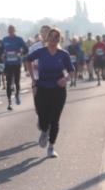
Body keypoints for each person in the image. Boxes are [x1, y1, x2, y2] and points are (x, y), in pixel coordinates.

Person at [26, 26, 74, 159]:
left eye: (56, 37)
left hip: (58, 91)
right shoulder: (41, 52)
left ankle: (51, 147)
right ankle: (44, 130)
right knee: (42, 117)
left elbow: (71, 71)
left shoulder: (63, 54)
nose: (53, 40)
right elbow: (28, 60)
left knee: (55, 120)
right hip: (42, 88)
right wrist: (33, 78)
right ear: (47, 38)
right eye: (51, 37)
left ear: (60, 39)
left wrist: (66, 79)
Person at [0, 24, 27, 110]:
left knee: (17, 81)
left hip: (16, 63)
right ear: (8, 31)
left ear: (15, 31)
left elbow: (26, 49)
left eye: (12, 30)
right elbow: (1, 50)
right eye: (9, 30)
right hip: (8, 64)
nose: (11, 31)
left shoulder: (19, 39)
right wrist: (3, 55)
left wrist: (21, 54)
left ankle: (17, 95)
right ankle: (9, 102)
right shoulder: (5, 39)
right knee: (8, 83)